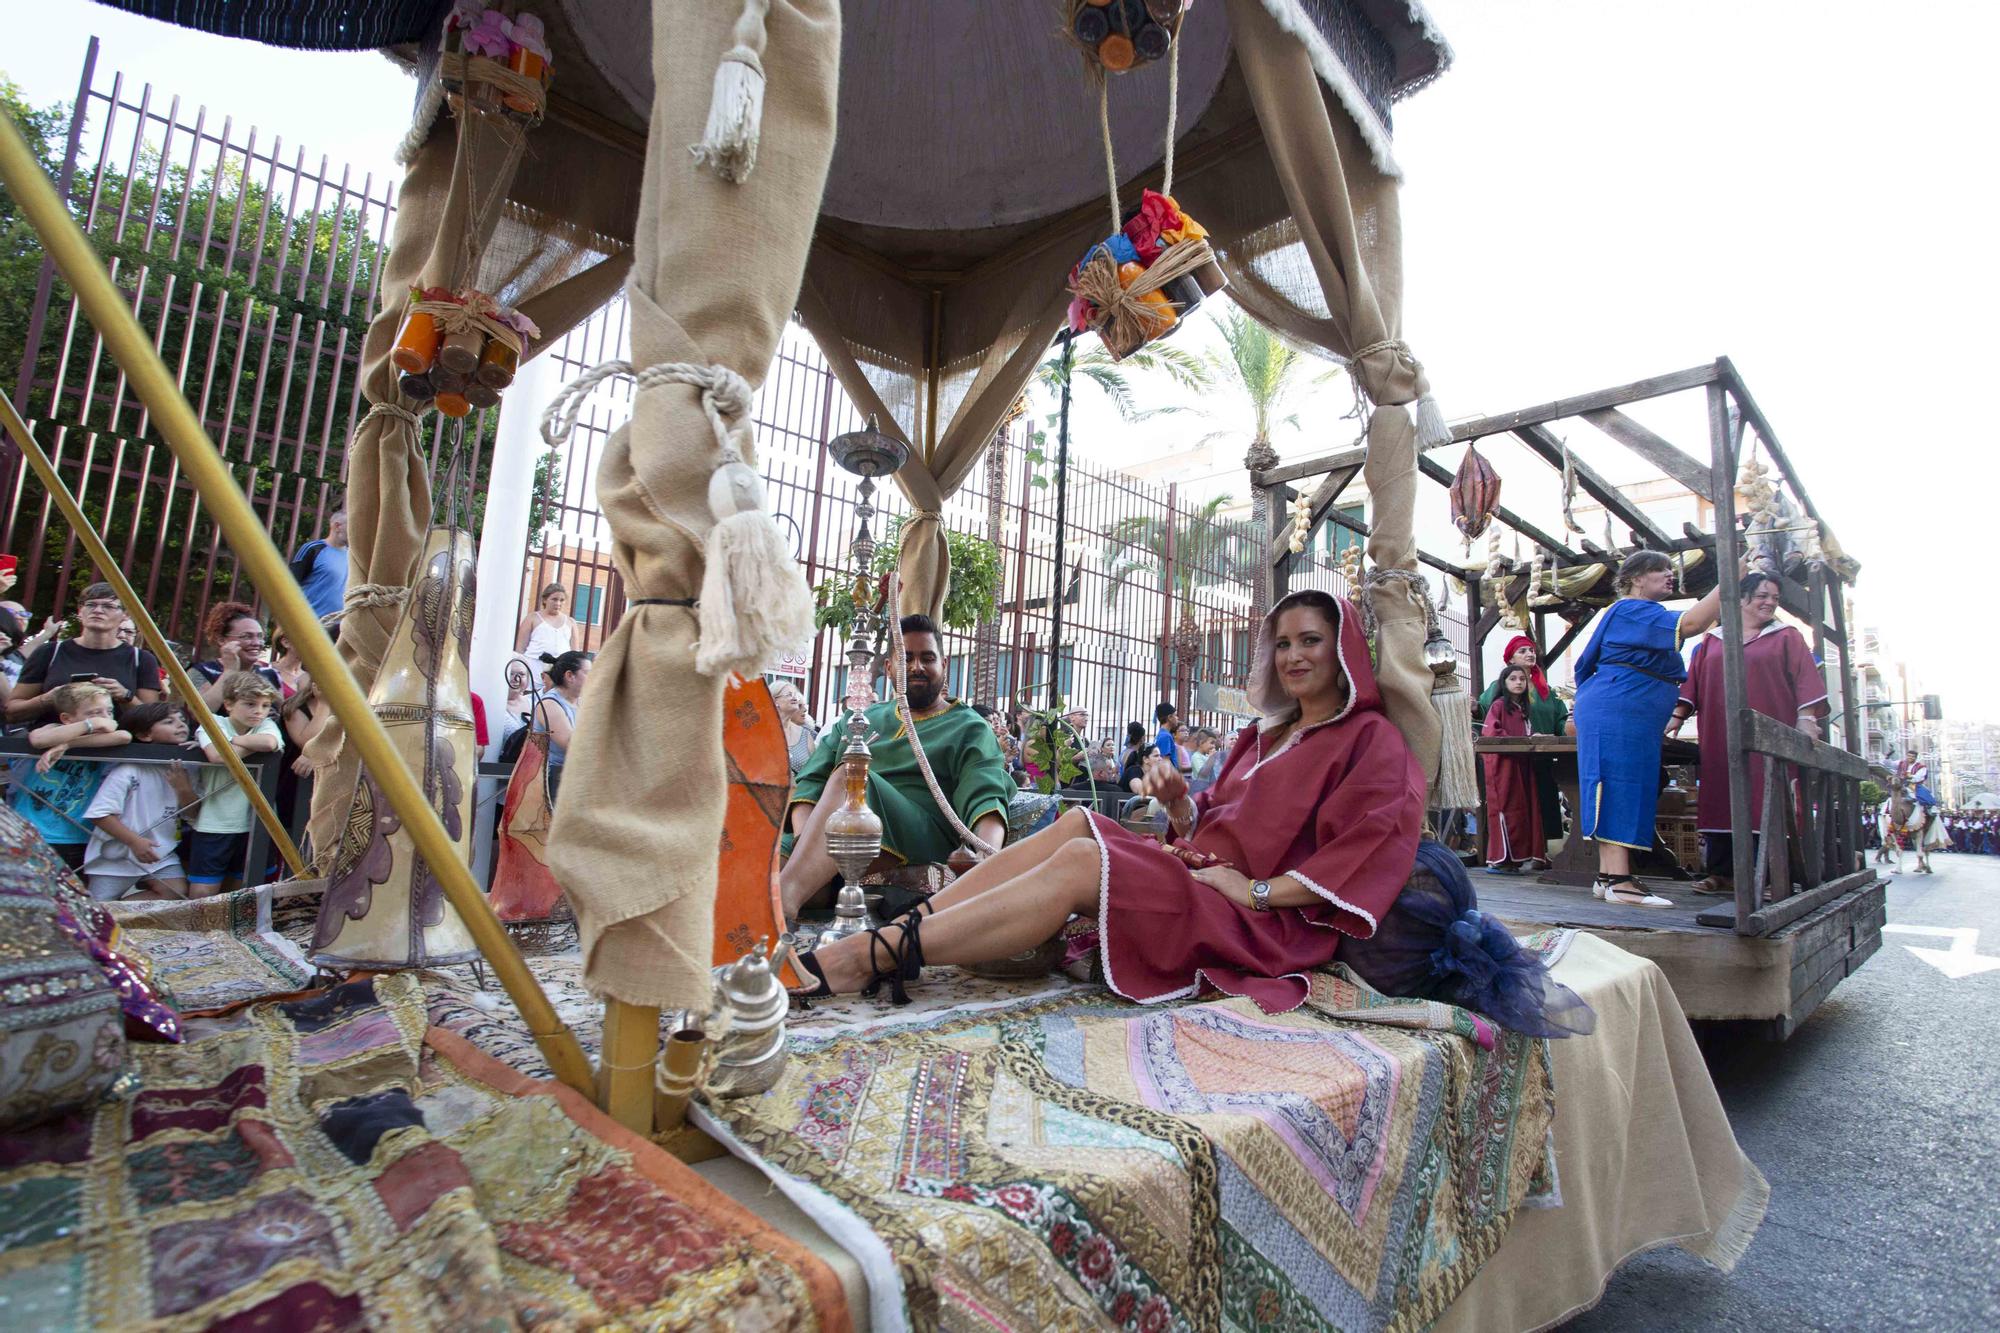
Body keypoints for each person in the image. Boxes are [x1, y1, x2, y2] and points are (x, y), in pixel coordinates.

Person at [791, 590, 1425, 1012]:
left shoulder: (1371, 742)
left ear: (1342, 652)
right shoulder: (1264, 737)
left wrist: (1254, 892)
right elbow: (1211, 829)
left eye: (1310, 641)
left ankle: (866, 957)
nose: (1292, 656)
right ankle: (904, 930)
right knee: (1080, 821)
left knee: (1080, 864)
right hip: (1201, 878)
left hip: (1262, 921)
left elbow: (1365, 856)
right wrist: (1181, 806)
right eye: (1283, 643)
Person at [780, 615, 1013, 918]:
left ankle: (781, 902)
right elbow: (810, 781)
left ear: (943, 665)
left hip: (921, 834)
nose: (916, 666)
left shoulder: (968, 726)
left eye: (927, 658)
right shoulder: (860, 719)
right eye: (906, 658)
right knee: (766, 855)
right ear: (889, 668)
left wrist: (988, 857)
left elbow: (986, 792)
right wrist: (803, 842)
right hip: (839, 833)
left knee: (853, 776)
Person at [1573, 550, 1726, 907]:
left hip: (1624, 707)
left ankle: (1609, 876)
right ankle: (1619, 881)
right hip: (1619, 706)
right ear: (1636, 578)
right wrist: (1729, 578)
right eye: (1661, 570)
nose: (1670, 576)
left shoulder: (1638, 613)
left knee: (1624, 783)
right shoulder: (1632, 609)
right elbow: (1691, 624)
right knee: (1617, 783)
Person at [1668, 571, 1830, 895]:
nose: (1770, 602)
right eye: (1762, 596)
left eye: (1775, 598)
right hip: (1719, 737)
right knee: (1720, 799)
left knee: (1768, 802)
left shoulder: (1788, 637)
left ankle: (1773, 876)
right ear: (1740, 599)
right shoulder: (1712, 641)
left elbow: (1806, 681)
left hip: (1771, 737)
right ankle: (1722, 873)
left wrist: (1807, 718)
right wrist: (1676, 716)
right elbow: (1692, 685)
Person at [6, 681, 131, 869]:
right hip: (30, 830)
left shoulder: (103, 740)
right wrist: (92, 724)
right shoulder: (53, 728)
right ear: (67, 718)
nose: (105, 718)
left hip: (76, 835)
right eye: (95, 712)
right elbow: (39, 740)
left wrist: (67, 745)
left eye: (109, 711)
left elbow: (124, 736)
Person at [82, 702, 198, 901]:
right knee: (99, 906)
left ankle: (120, 918)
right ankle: (110, 918)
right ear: (145, 735)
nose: (180, 725)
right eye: (169, 721)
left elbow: (192, 814)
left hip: (160, 853)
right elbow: (100, 814)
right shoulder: (128, 770)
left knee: (176, 891)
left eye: (182, 720)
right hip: (114, 855)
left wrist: (184, 789)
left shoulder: (188, 768)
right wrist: (134, 842)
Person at [186, 671, 284, 895]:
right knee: (202, 891)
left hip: (255, 823)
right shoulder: (213, 722)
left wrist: (230, 741)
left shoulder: (266, 725)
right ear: (228, 704)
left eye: (265, 705)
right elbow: (217, 757)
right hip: (214, 822)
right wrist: (248, 745)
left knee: (240, 892)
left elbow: (269, 743)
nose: (258, 711)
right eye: (250, 704)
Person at [6, 582, 163, 722]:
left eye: (108, 606)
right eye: (90, 605)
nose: (98, 610)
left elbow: (152, 720)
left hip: (115, 748)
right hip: (50, 743)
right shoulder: (50, 652)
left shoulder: (141, 658)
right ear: (80, 611)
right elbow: (11, 712)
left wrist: (125, 696)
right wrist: (49, 698)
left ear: (125, 615)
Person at [1476, 634, 1570, 844]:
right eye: (1523, 651)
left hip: (1544, 757)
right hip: (1514, 759)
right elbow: (1487, 713)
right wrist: (1474, 709)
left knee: (1543, 803)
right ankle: (1514, 850)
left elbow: (1561, 720)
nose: (1530, 654)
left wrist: (1569, 727)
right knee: (1517, 806)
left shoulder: (1548, 691)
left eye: (1531, 650)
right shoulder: (1498, 687)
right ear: (1510, 660)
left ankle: (1540, 850)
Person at [1481, 664, 1548, 872]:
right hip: (1503, 767)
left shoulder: (1524, 709)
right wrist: (1522, 742)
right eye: (1513, 679)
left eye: (1522, 679)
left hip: (1521, 766)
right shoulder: (1499, 706)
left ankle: (1515, 859)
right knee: (1506, 809)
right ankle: (1499, 859)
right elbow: (1491, 735)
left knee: (1521, 811)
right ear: (1504, 682)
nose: (1518, 682)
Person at [191, 601, 285, 709]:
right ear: (222, 640)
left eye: (260, 636)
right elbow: (199, 713)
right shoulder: (204, 671)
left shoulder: (270, 674)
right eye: (246, 636)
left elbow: (284, 714)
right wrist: (229, 672)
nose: (256, 643)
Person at [532, 650, 590, 802]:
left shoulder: (582, 701)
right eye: (588, 673)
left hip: (574, 778)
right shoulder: (550, 703)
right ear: (570, 676)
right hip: (552, 781)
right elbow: (572, 744)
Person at [286, 507, 350, 622]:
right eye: (352, 526)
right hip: (311, 623)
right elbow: (289, 585)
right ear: (337, 526)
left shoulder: (353, 555)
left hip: (340, 626)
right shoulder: (313, 549)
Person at [516, 582, 577, 673]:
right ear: (545, 600)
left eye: (562, 600)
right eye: (554, 599)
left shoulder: (571, 622)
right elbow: (520, 648)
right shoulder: (532, 618)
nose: (558, 603)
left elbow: (574, 652)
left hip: (560, 672)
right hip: (534, 668)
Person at [770, 678, 820, 778]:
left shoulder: (805, 735)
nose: (795, 698)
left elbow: (814, 773)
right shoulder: (759, 731)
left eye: (795, 695)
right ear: (774, 700)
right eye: (789, 694)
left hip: (799, 792)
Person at [1153, 701, 1183, 771]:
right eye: (1175, 715)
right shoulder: (1165, 736)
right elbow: (1165, 761)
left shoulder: (1163, 734)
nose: (1177, 718)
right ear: (1169, 717)